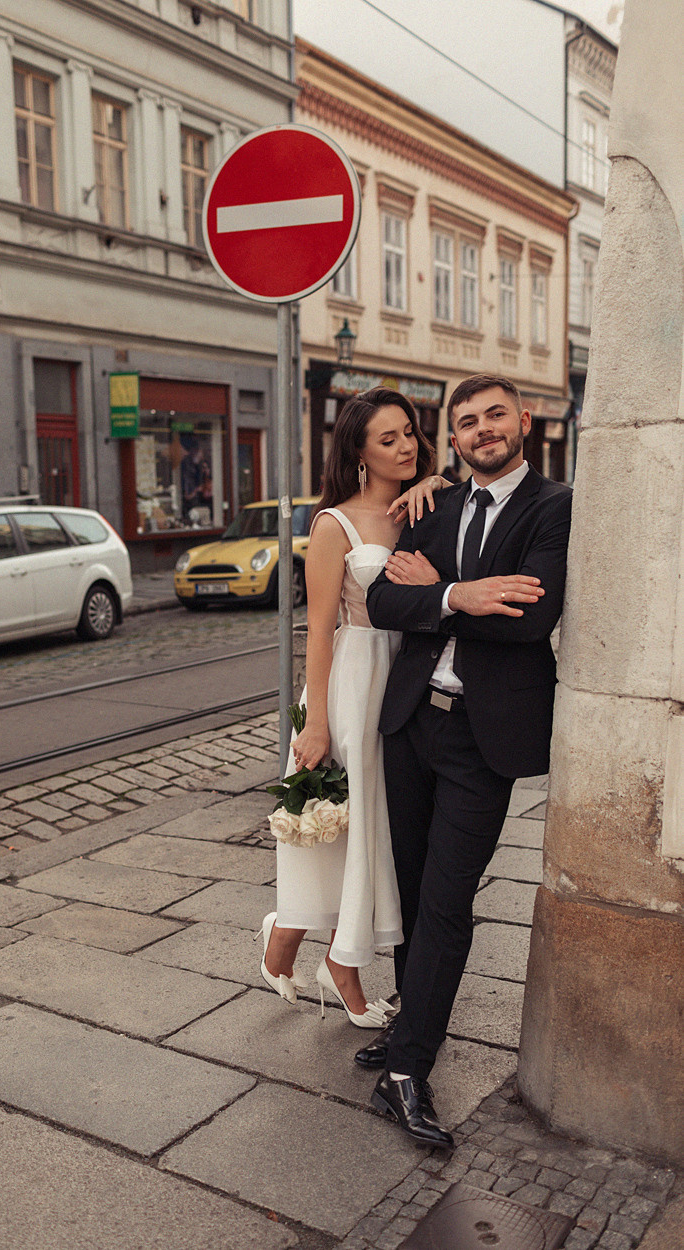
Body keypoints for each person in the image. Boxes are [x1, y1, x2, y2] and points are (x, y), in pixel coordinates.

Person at [358, 373, 572, 1148]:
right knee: (412, 894)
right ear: (453, 439)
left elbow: (529, 617)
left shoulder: (557, 506)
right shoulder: (433, 505)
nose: (483, 430)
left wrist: (443, 591)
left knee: (448, 904)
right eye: (467, 422)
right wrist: (464, 597)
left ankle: (408, 1070)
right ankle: (409, 1025)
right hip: (412, 723)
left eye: (494, 416)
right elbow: (382, 602)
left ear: (523, 420)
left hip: (485, 741)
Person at [259, 388, 447, 1025]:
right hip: (351, 680)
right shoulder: (332, 524)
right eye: (387, 439)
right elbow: (319, 628)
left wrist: (438, 480)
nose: (405, 448)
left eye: (411, 434)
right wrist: (314, 722)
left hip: (407, 679)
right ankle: (341, 964)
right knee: (351, 821)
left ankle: (298, 938)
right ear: (359, 453)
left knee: (382, 826)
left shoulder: (423, 507)